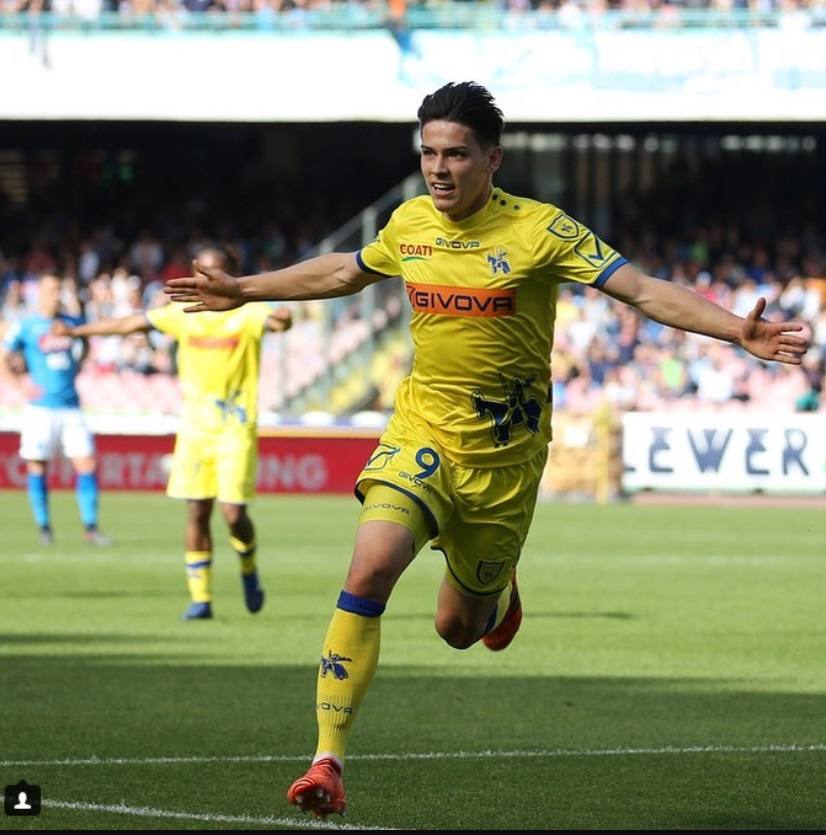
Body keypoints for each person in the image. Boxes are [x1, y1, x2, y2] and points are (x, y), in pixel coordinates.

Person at [165, 82, 810, 817]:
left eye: (456, 155)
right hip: (422, 434)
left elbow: (641, 290)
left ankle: (496, 594)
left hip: (504, 461)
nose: (439, 168)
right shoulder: (409, 223)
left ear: (492, 159)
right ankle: (327, 760)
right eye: (429, 153)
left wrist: (737, 330)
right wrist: (246, 288)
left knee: (458, 628)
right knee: (370, 567)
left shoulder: (542, 231)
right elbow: (345, 270)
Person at [56, 247, 292, 620]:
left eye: (213, 272)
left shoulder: (247, 314)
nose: (204, 280)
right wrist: (75, 330)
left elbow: (279, 322)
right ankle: (201, 599)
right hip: (196, 429)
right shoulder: (184, 315)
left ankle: (247, 564)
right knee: (196, 511)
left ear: (229, 275)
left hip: (235, 427)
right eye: (200, 272)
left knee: (233, 514)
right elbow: (127, 325)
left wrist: (283, 316)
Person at [0, 272, 111, 546]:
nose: (55, 294)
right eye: (50, 289)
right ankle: (45, 528)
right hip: (40, 409)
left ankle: (90, 527)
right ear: (39, 293)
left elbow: (85, 343)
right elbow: (3, 357)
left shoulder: (72, 323)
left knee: (87, 463)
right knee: (38, 466)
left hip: (71, 406)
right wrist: (20, 387)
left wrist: (79, 365)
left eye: (58, 289)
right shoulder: (27, 326)